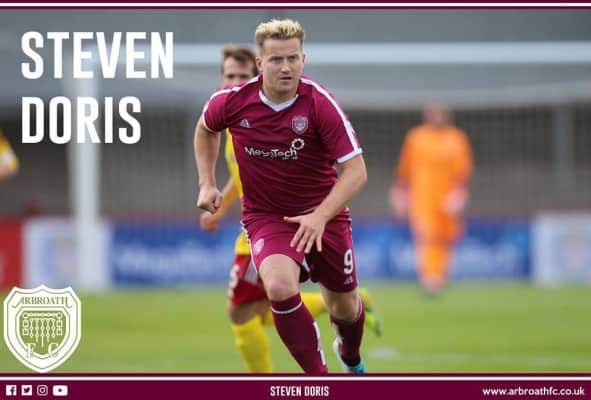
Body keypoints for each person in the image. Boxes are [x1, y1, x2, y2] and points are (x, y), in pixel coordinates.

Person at [195, 19, 369, 374]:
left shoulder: (320, 104)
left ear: (303, 59)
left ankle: (350, 357)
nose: (285, 67)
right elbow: (205, 129)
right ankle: (320, 380)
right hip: (267, 217)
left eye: (292, 58)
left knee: (345, 308)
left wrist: (320, 216)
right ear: (260, 64)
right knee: (277, 286)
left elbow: (356, 171)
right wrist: (206, 183)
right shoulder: (232, 102)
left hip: (324, 214)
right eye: (276, 59)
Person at [390, 103, 473, 294]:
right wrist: (400, 192)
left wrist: (460, 193)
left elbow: (463, 169)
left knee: (446, 237)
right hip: (422, 196)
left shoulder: (457, 138)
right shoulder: (416, 137)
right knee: (427, 236)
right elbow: (405, 168)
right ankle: (429, 277)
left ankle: (440, 275)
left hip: (447, 197)